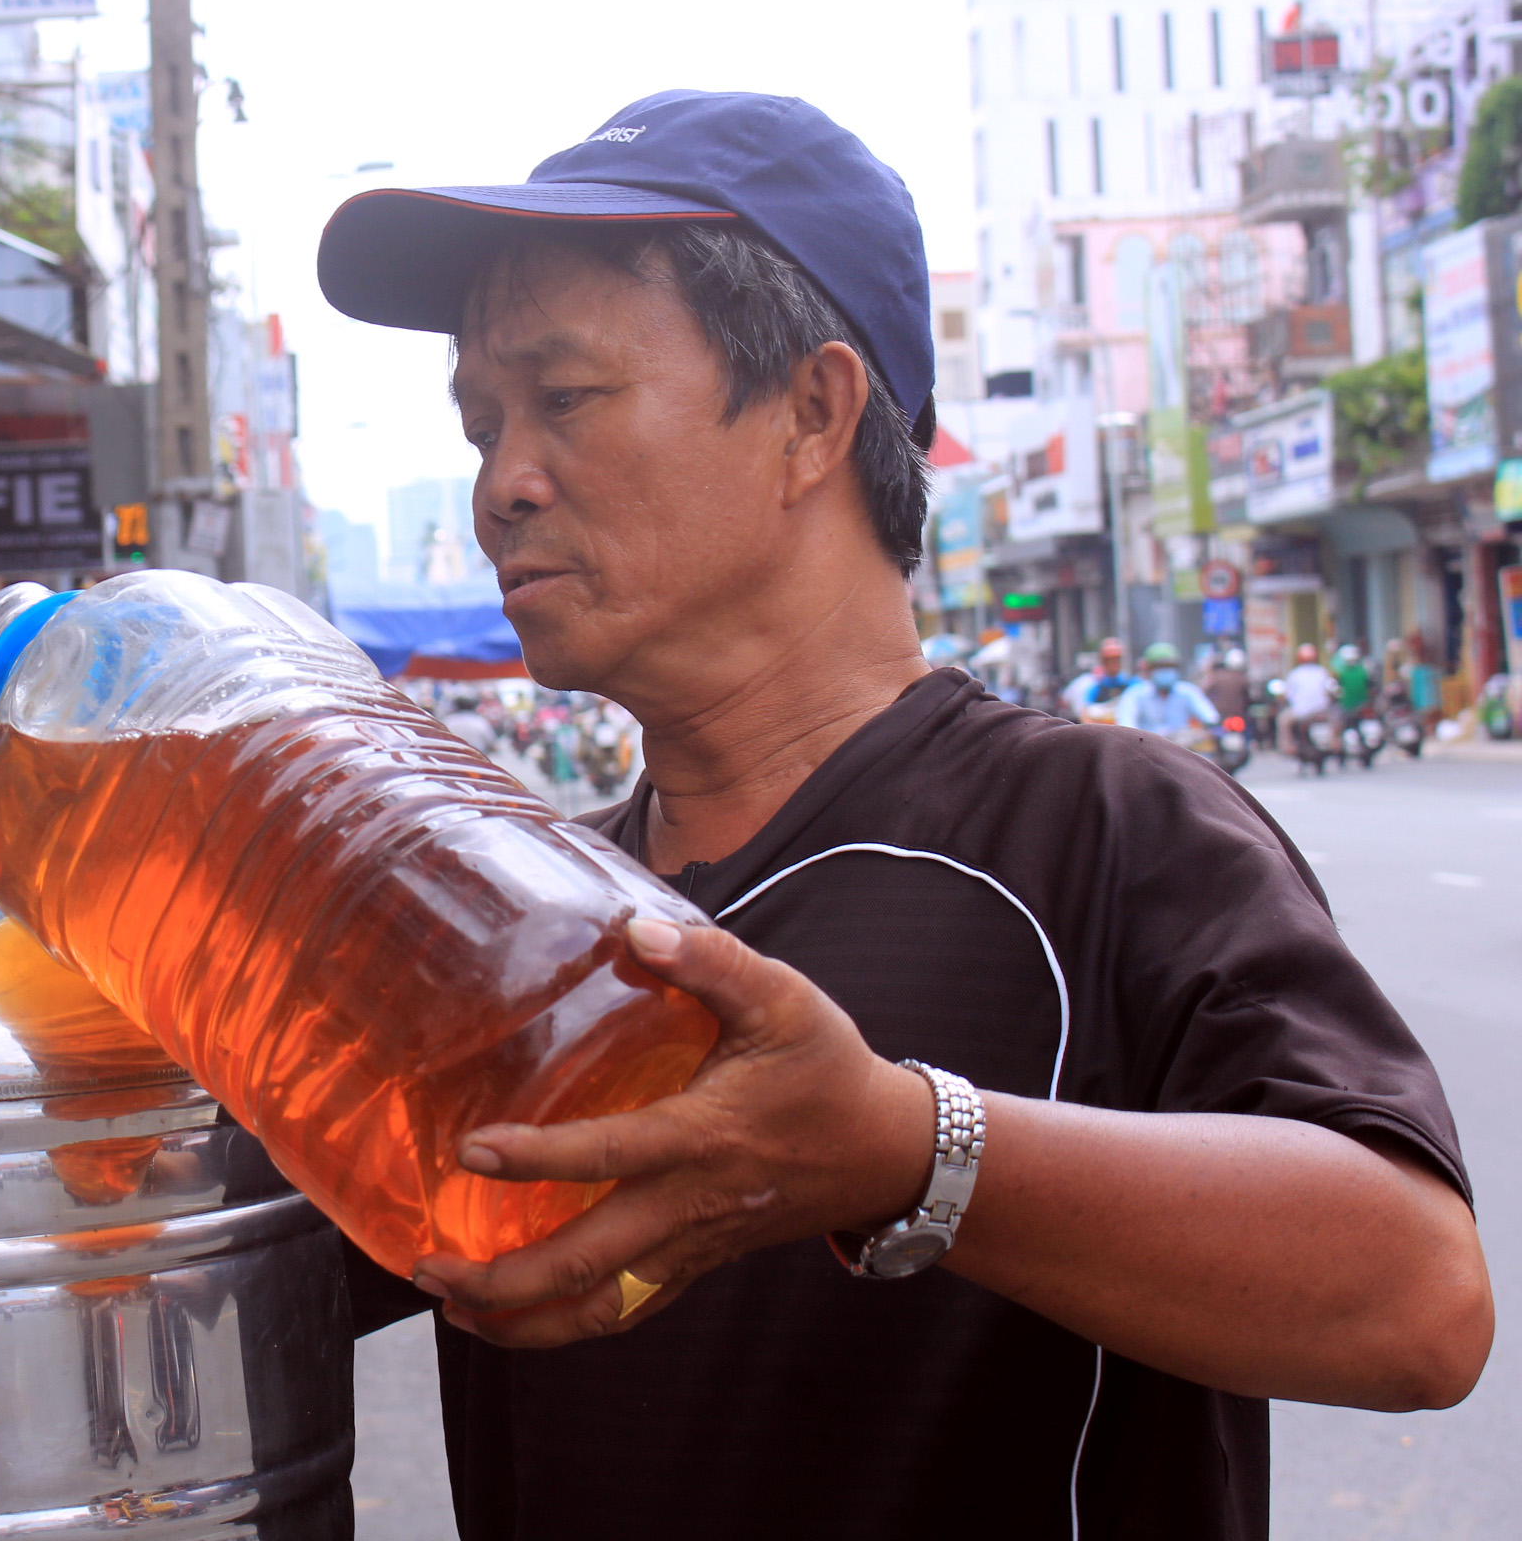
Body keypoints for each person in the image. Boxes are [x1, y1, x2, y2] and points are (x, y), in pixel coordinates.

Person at [315, 89, 1487, 1540]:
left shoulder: (1099, 828)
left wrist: (903, 1150)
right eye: (483, 424)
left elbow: (1417, 1299)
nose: (502, 485)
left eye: (563, 399)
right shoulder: (513, 925)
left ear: (814, 411)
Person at [1116, 642, 1221, 738]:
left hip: (1181, 749)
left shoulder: (1187, 691)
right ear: (1149, 670)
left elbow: (1210, 717)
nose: (1165, 671)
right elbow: (1126, 724)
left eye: (1169, 666)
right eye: (1160, 667)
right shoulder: (1135, 694)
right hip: (1147, 751)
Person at [1279, 642, 1337, 753]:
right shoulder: (1322, 672)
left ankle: (1288, 747)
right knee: (1336, 719)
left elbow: (1288, 695)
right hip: (1321, 710)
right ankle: (1335, 742)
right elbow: (1330, 690)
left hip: (1301, 712)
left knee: (1283, 721)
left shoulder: (1294, 674)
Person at [1059, 636, 1129, 718]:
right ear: (1103, 662)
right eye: (1110, 660)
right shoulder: (1095, 688)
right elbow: (1086, 713)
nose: (1114, 664)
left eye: (1117, 660)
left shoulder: (1129, 685)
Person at [1202, 645, 1251, 722]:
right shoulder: (1243, 679)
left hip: (1222, 715)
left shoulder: (1216, 676)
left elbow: (1204, 692)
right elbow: (1248, 698)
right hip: (1234, 714)